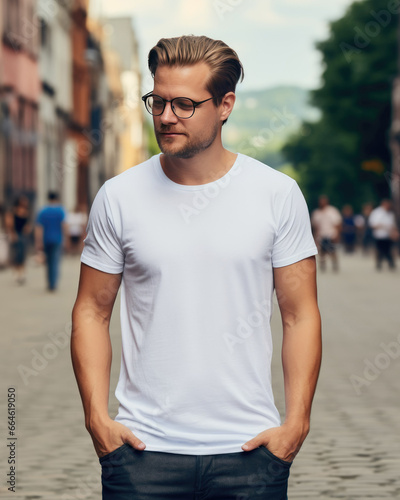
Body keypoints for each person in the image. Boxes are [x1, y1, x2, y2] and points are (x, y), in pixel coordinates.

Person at [71, 35, 322, 500]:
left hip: (250, 453)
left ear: (225, 105)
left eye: (184, 104)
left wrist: (296, 424)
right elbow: (91, 310)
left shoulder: (277, 194)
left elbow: (299, 313)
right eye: (158, 101)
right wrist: (98, 420)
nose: (165, 117)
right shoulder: (119, 196)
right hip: (141, 454)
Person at [35, 191, 68, 291]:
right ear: (57, 198)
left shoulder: (43, 211)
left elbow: (38, 228)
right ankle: (53, 283)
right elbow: (64, 225)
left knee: (48, 262)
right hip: (57, 239)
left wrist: (38, 241)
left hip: (46, 239)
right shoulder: (60, 210)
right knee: (55, 261)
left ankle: (49, 282)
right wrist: (66, 238)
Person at [5, 195, 32, 284]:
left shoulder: (26, 212)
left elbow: (28, 223)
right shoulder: (13, 211)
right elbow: (9, 224)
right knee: (17, 253)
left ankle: (22, 272)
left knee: (23, 253)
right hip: (16, 234)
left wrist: (28, 228)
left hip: (23, 235)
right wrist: (12, 234)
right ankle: (17, 272)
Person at [311, 195, 342, 271]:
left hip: (331, 234)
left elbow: (337, 224)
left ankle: (335, 265)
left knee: (332, 251)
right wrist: (315, 237)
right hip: (321, 235)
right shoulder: (316, 213)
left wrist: (337, 234)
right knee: (321, 252)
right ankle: (322, 266)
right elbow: (315, 227)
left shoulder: (332, 211)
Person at [369, 199, 398, 270]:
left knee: (387, 249)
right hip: (379, 235)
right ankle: (381, 263)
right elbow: (373, 224)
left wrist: (395, 232)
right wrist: (383, 226)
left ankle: (389, 263)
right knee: (381, 250)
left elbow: (392, 225)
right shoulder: (376, 212)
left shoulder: (390, 213)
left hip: (388, 235)